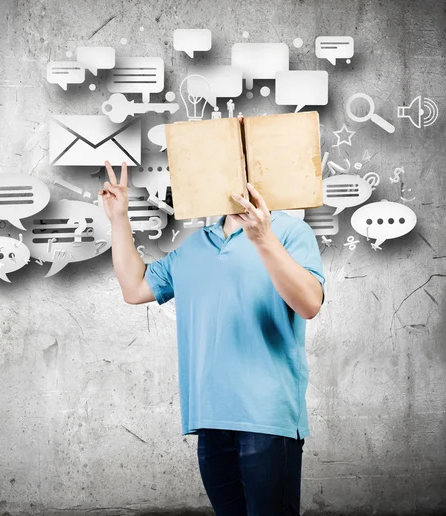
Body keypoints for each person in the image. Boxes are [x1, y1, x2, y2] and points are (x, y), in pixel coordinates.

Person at [98, 151, 326, 516]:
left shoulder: (290, 232)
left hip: (268, 418)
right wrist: (119, 220)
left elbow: (310, 303)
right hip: (209, 418)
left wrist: (263, 239)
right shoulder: (195, 246)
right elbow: (135, 288)